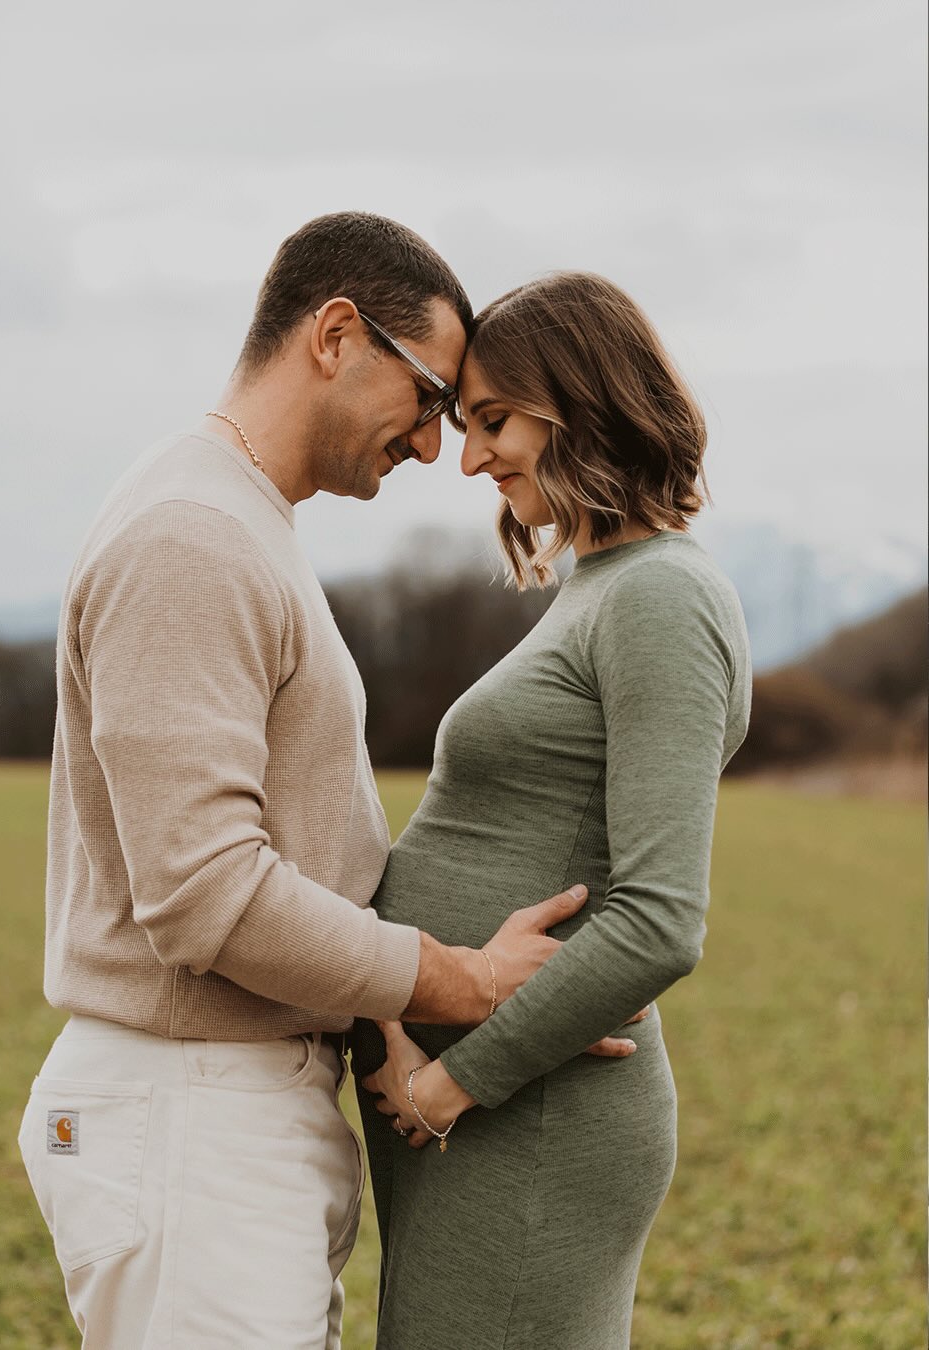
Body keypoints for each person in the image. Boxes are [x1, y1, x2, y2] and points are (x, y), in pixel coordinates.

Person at [16, 216, 635, 1350]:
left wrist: (382, 1008)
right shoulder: (193, 538)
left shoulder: (244, 520)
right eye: (435, 398)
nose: (441, 447)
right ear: (337, 335)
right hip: (191, 1114)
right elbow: (207, 890)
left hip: (225, 1111)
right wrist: (459, 981)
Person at [355, 271, 752, 1349]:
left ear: (578, 398)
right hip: (472, 1105)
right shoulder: (601, 582)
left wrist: (450, 1085)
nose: (471, 458)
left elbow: (661, 915)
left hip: (522, 1115)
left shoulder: (662, 595)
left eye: (491, 422)